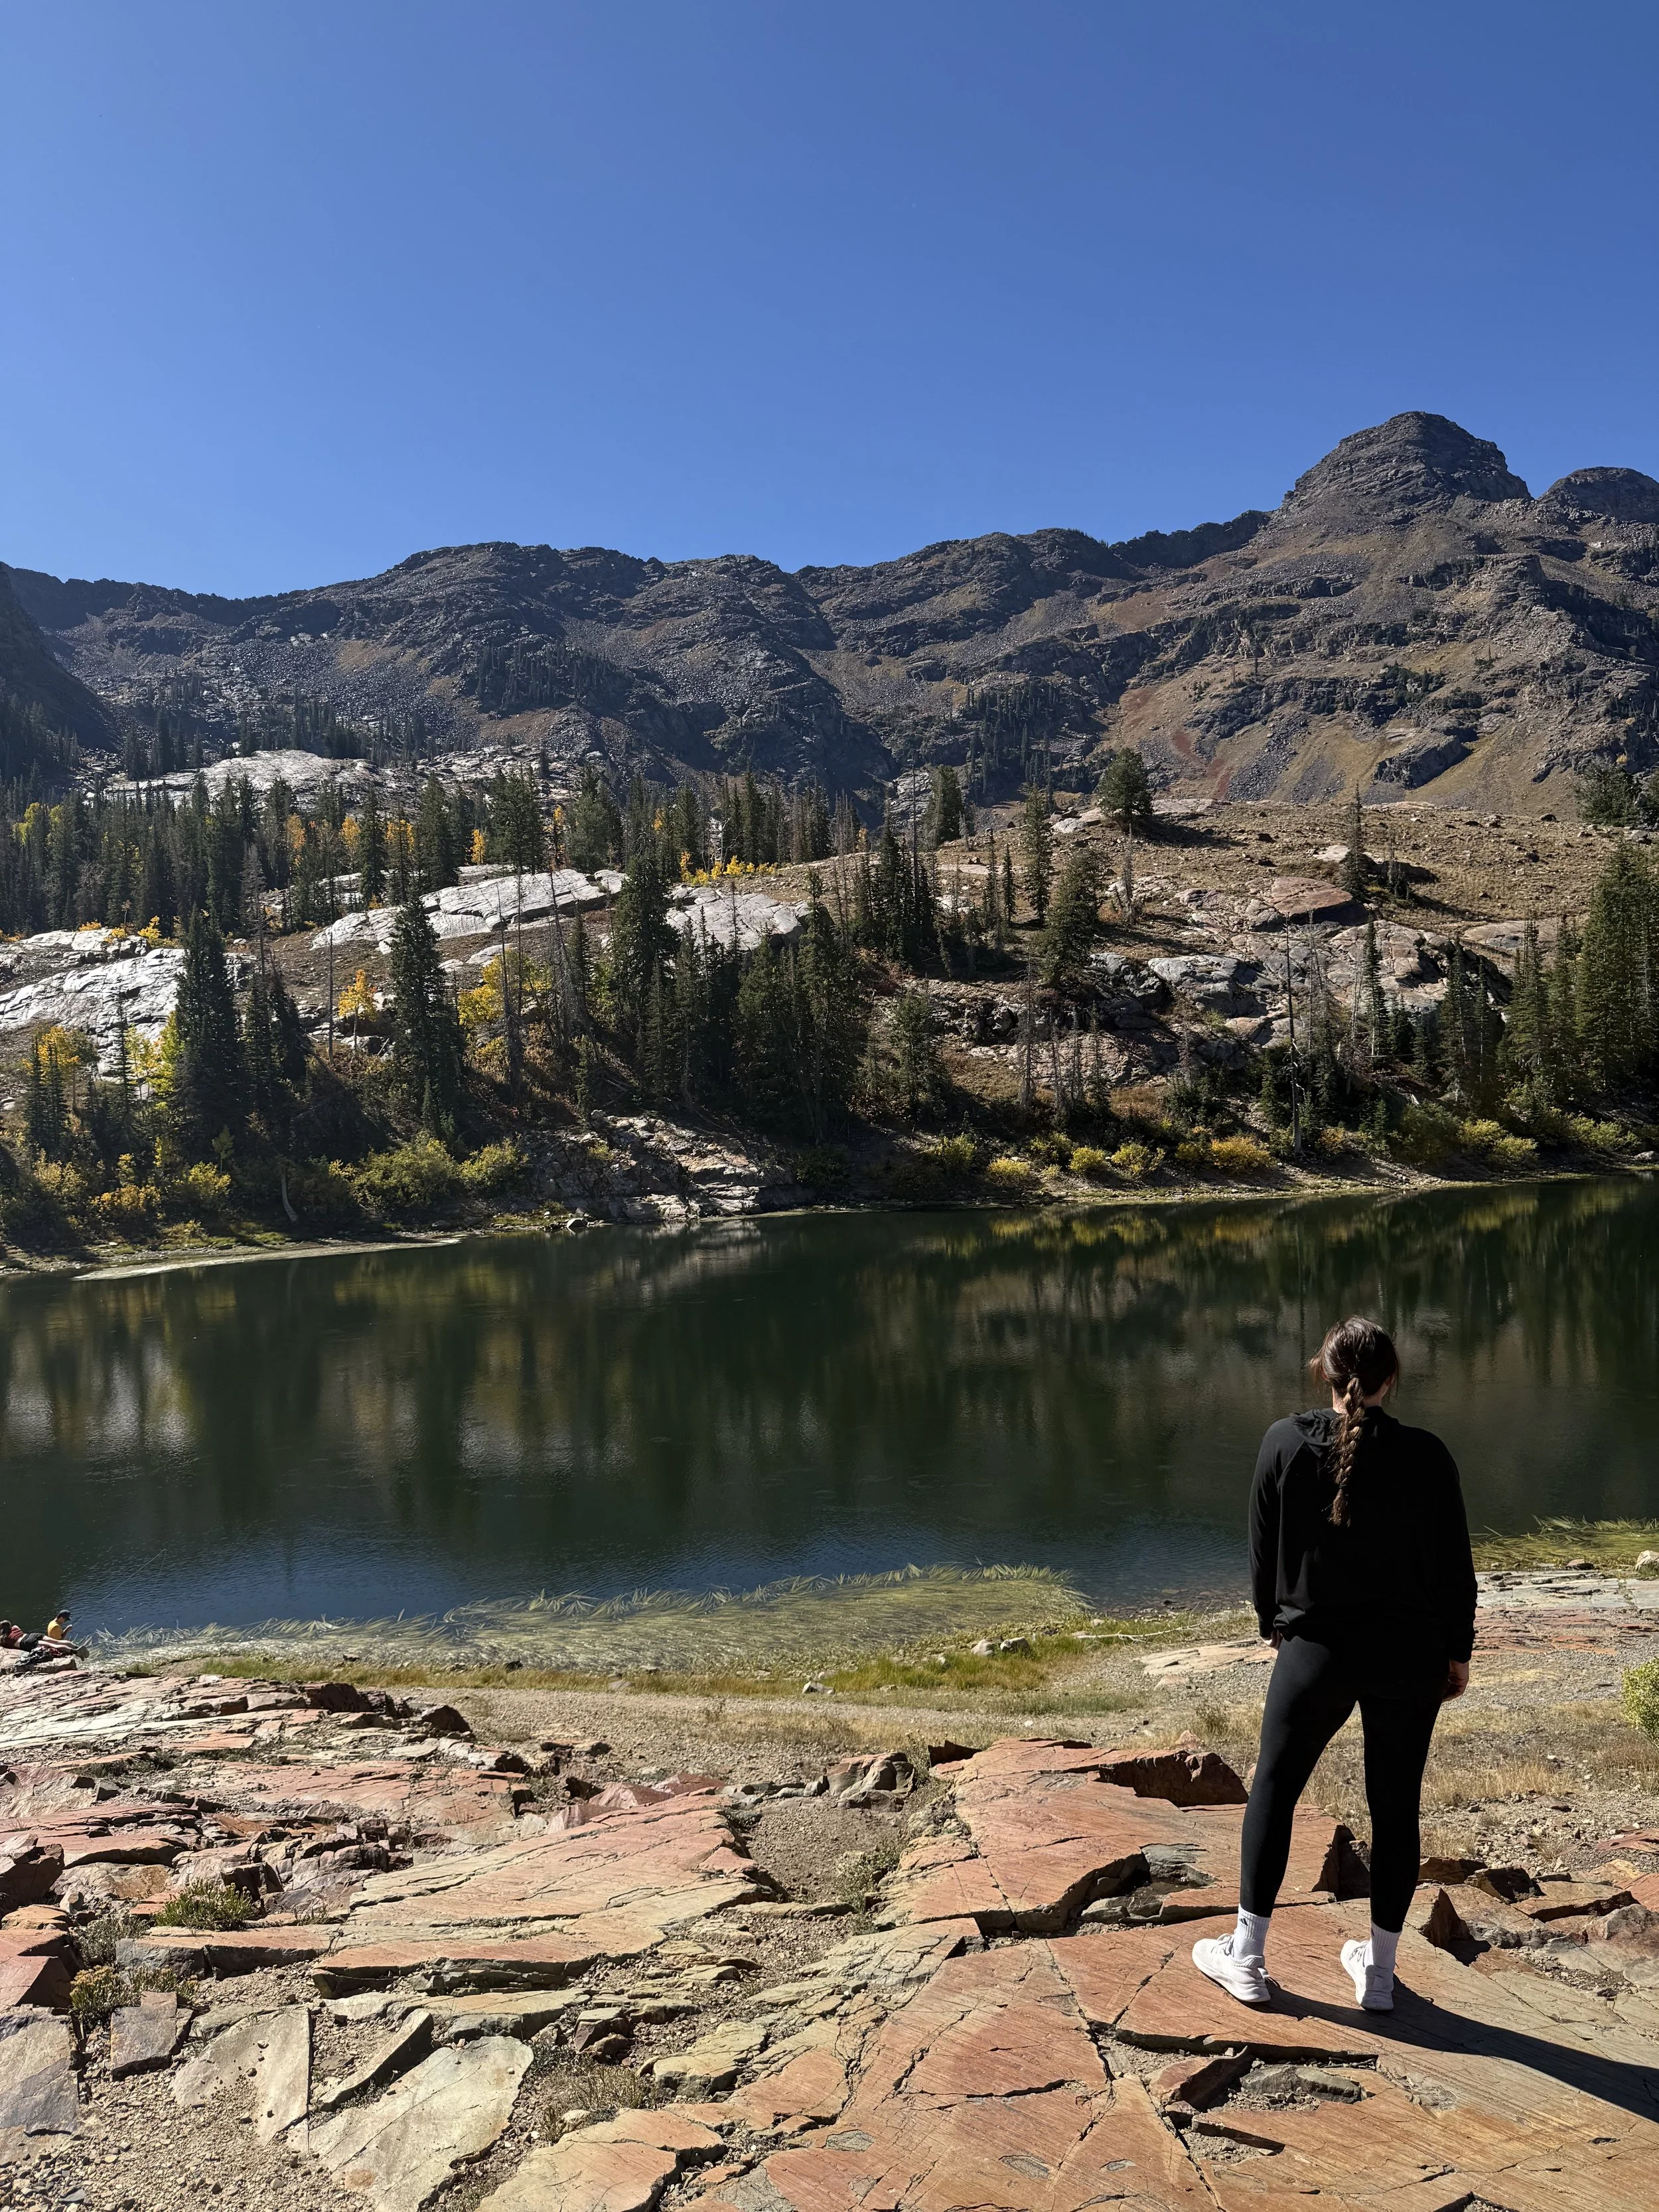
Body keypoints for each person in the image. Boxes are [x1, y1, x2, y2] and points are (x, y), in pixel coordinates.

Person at [1193, 1315, 1476, 2015]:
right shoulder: (1428, 1455)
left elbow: (1262, 1554)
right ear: (1389, 1380)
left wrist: (1273, 1628)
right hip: (1409, 1658)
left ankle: (1247, 1958)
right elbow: (1455, 1571)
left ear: (1323, 1371)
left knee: (1274, 1792)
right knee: (1395, 1808)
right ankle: (1377, 1976)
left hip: (1313, 1654)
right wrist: (1457, 1653)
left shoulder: (1284, 1442)